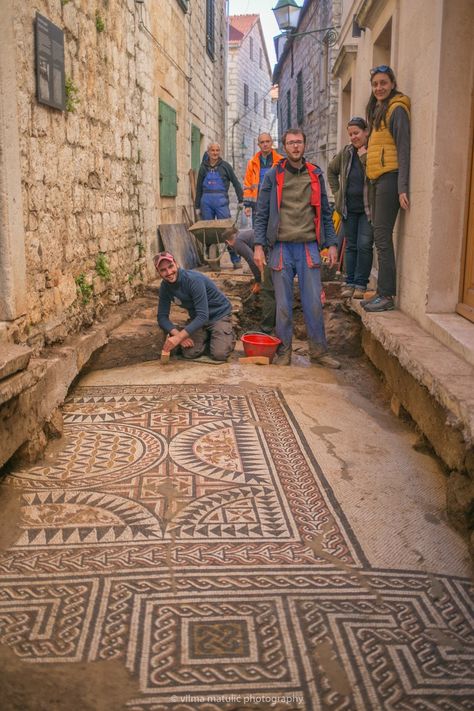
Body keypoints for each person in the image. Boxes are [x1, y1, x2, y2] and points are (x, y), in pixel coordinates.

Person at [253, 128, 340, 368]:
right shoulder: (273, 175)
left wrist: (331, 244)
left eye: (299, 142)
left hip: (308, 246)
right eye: (290, 143)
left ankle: (319, 352)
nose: (295, 147)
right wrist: (259, 246)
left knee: (313, 302)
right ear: (284, 147)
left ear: (304, 145)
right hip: (281, 247)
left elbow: (325, 210)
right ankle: (284, 352)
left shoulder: (315, 174)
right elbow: (261, 214)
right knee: (283, 305)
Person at [363, 65, 411, 312]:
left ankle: (386, 295)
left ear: (392, 83)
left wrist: (403, 187)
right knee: (378, 237)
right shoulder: (378, 110)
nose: (379, 88)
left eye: (383, 83)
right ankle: (381, 292)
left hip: (390, 179)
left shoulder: (397, 109)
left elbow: (403, 148)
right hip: (377, 180)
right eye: (375, 84)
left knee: (382, 238)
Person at [155, 252, 235, 361]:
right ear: (158, 272)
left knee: (219, 354)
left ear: (176, 264)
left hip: (218, 315)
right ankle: (209, 336)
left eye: (170, 266)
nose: (169, 272)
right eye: (163, 270)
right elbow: (162, 317)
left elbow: (203, 316)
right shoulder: (165, 287)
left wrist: (178, 338)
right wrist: (179, 336)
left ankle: (225, 334)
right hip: (197, 319)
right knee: (189, 353)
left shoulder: (193, 280)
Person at [328, 117, 373, 299]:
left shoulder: (372, 152)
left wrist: (363, 156)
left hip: (368, 209)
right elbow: (331, 171)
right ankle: (350, 282)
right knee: (351, 246)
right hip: (348, 209)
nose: (354, 137)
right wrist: (337, 194)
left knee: (364, 245)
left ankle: (361, 284)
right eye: (351, 134)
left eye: (357, 133)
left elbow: (373, 173)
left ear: (366, 132)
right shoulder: (346, 152)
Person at [195, 142, 244, 268]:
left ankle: (235, 259)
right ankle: (212, 259)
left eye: (217, 150)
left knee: (228, 231)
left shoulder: (225, 166)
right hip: (206, 202)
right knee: (208, 232)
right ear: (208, 152)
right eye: (212, 150)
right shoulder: (203, 168)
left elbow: (236, 183)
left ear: (219, 151)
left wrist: (241, 199)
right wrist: (197, 206)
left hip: (221, 202)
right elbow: (199, 187)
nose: (215, 153)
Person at [223, 226, 276, 334]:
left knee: (268, 292)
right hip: (275, 252)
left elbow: (252, 259)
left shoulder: (237, 242)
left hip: (272, 255)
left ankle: (266, 328)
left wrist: (259, 281)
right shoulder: (243, 234)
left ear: (227, 241)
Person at [243, 133, 283, 220]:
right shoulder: (252, 163)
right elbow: (248, 184)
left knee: (275, 231)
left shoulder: (280, 161)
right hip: (258, 204)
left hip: (275, 203)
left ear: (272, 142)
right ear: (258, 145)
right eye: (262, 142)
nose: (265, 144)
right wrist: (247, 205)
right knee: (258, 231)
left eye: (267, 141)